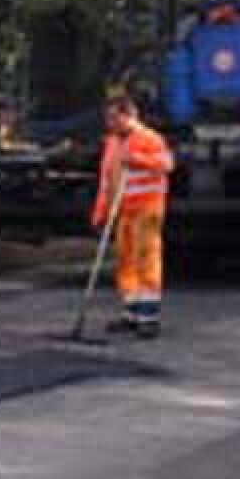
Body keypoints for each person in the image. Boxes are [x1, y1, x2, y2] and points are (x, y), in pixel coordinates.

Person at [90, 92, 174, 340]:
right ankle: (131, 312)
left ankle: (148, 317)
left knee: (145, 258)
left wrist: (138, 160)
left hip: (147, 208)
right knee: (125, 261)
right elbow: (107, 181)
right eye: (108, 118)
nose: (110, 123)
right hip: (123, 210)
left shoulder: (149, 138)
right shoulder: (113, 143)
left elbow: (166, 164)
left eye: (114, 118)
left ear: (129, 115)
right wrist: (101, 212)